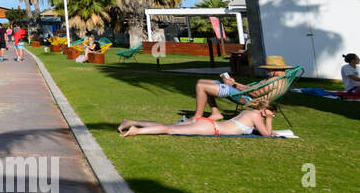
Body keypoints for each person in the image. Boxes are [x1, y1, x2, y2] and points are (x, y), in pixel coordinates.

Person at [192, 56, 288, 119]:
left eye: (268, 69)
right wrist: (234, 82)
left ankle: (197, 117)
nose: (267, 71)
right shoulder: (281, 79)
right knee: (201, 81)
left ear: (274, 69)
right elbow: (252, 90)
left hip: (247, 99)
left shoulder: (275, 81)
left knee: (201, 86)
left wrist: (233, 85)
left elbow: (255, 94)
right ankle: (215, 112)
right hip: (245, 94)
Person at [118, 104, 278, 137]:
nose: (271, 116)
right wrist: (269, 120)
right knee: (170, 130)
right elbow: (266, 134)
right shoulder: (258, 116)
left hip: (208, 123)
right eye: (272, 113)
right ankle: (136, 130)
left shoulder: (249, 112)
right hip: (211, 128)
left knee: (167, 126)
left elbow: (252, 128)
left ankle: (131, 122)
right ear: (267, 110)